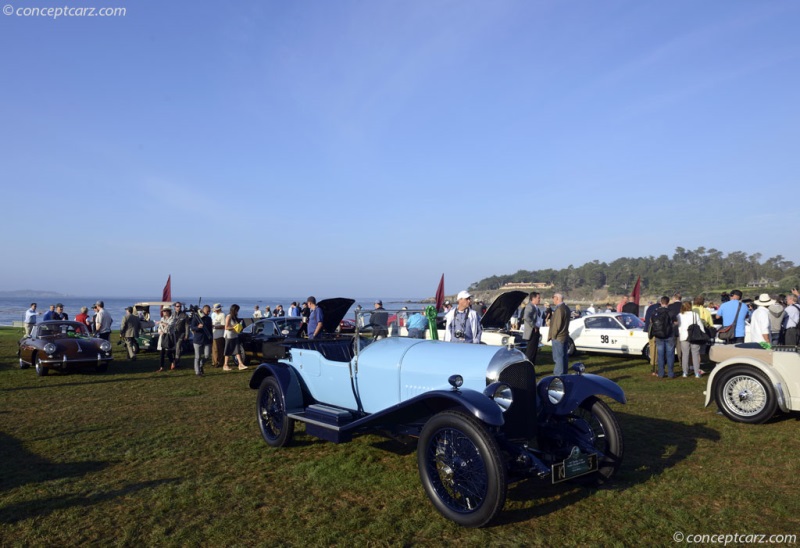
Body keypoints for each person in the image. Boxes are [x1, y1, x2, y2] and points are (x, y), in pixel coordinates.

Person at [677, 301, 704, 378]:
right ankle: (696, 373)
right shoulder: (695, 315)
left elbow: (679, 326)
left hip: (683, 336)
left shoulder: (679, 315)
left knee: (685, 354)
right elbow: (700, 326)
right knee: (695, 354)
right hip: (694, 336)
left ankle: (685, 372)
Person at [652, 296, 676, 378]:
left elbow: (651, 321)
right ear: (668, 302)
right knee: (670, 354)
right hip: (669, 335)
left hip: (659, 335)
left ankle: (661, 373)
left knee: (660, 354)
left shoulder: (656, 311)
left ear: (661, 302)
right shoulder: (670, 311)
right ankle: (670, 373)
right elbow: (676, 322)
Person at [547, 293, 571, 376]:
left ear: (557, 299)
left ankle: (558, 376)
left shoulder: (559, 309)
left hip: (558, 337)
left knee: (558, 358)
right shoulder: (566, 308)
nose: (553, 300)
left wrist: (552, 336)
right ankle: (564, 374)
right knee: (564, 357)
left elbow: (557, 325)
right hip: (564, 336)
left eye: (553, 298)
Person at [223, 304, 247, 371]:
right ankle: (225, 365)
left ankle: (240, 364)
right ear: (234, 310)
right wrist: (234, 327)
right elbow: (226, 327)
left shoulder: (234, 317)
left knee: (237, 350)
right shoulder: (229, 316)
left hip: (235, 335)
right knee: (228, 350)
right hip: (229, 336)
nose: (237, 312)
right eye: (237, 310)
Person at [191, 304, 213, 377]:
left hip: (207, 339)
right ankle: (197, 372)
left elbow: (210, 329)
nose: (208, 312)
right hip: (198, 340)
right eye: (207, 311)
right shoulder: (196, 318)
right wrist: (198, 327)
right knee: (197, 357)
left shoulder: (209, 319)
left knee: (207, 355)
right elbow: (192, 327)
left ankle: (201, 365)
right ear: (203, 310)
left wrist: (211, 338)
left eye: (209, 311)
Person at [522, 292, 542, 365]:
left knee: (534, 351)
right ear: (533, 298)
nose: (540, 299)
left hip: (536, 331)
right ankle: (527, 368)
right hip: (532, 331)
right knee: (530, 352)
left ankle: (531, 368)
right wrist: (534, 325)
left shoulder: (535, 307)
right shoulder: (530, 306)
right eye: (538, 298)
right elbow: (526, 317)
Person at [157, 306, 177, 372]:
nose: (164, 312)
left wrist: (161, 323)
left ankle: (172, 361)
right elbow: (159, 328)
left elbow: (169, 326)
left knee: (168, 352)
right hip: (162, 337)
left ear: (169, 311)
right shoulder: (162, 319)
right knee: (161, 353)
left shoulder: (173, 319)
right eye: (163, 311)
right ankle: (161, 367)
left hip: (169, 337)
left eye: (165, 311)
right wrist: (160, 331)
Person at [643, 300, 660, 373]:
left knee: (652, 346)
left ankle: (653, 362)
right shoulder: (659, 309)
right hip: (657, 330)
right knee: (657, 347)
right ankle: (656, 363)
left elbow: (646, 319)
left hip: (650, 330)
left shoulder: (650, 308)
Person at [172, 302, 189, 369]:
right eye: (177, 306)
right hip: (172, 334)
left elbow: (187, 326)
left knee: (178, 348)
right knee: (173, 348)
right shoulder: (172, 314)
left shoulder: (184, 315)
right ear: (175, 307)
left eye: (180, 306)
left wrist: (186, 335)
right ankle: (173, 361)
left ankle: (177, 362)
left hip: (181, 334)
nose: (179, 307)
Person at [211, 303, 225, 367]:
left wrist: (214, 326)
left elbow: (223, 325)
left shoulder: (222, 315)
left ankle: (220, 362)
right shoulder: (214, 315)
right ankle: (215, 361)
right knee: (214, 349)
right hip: (214, 334)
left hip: (220, 334)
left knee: (220, 349)